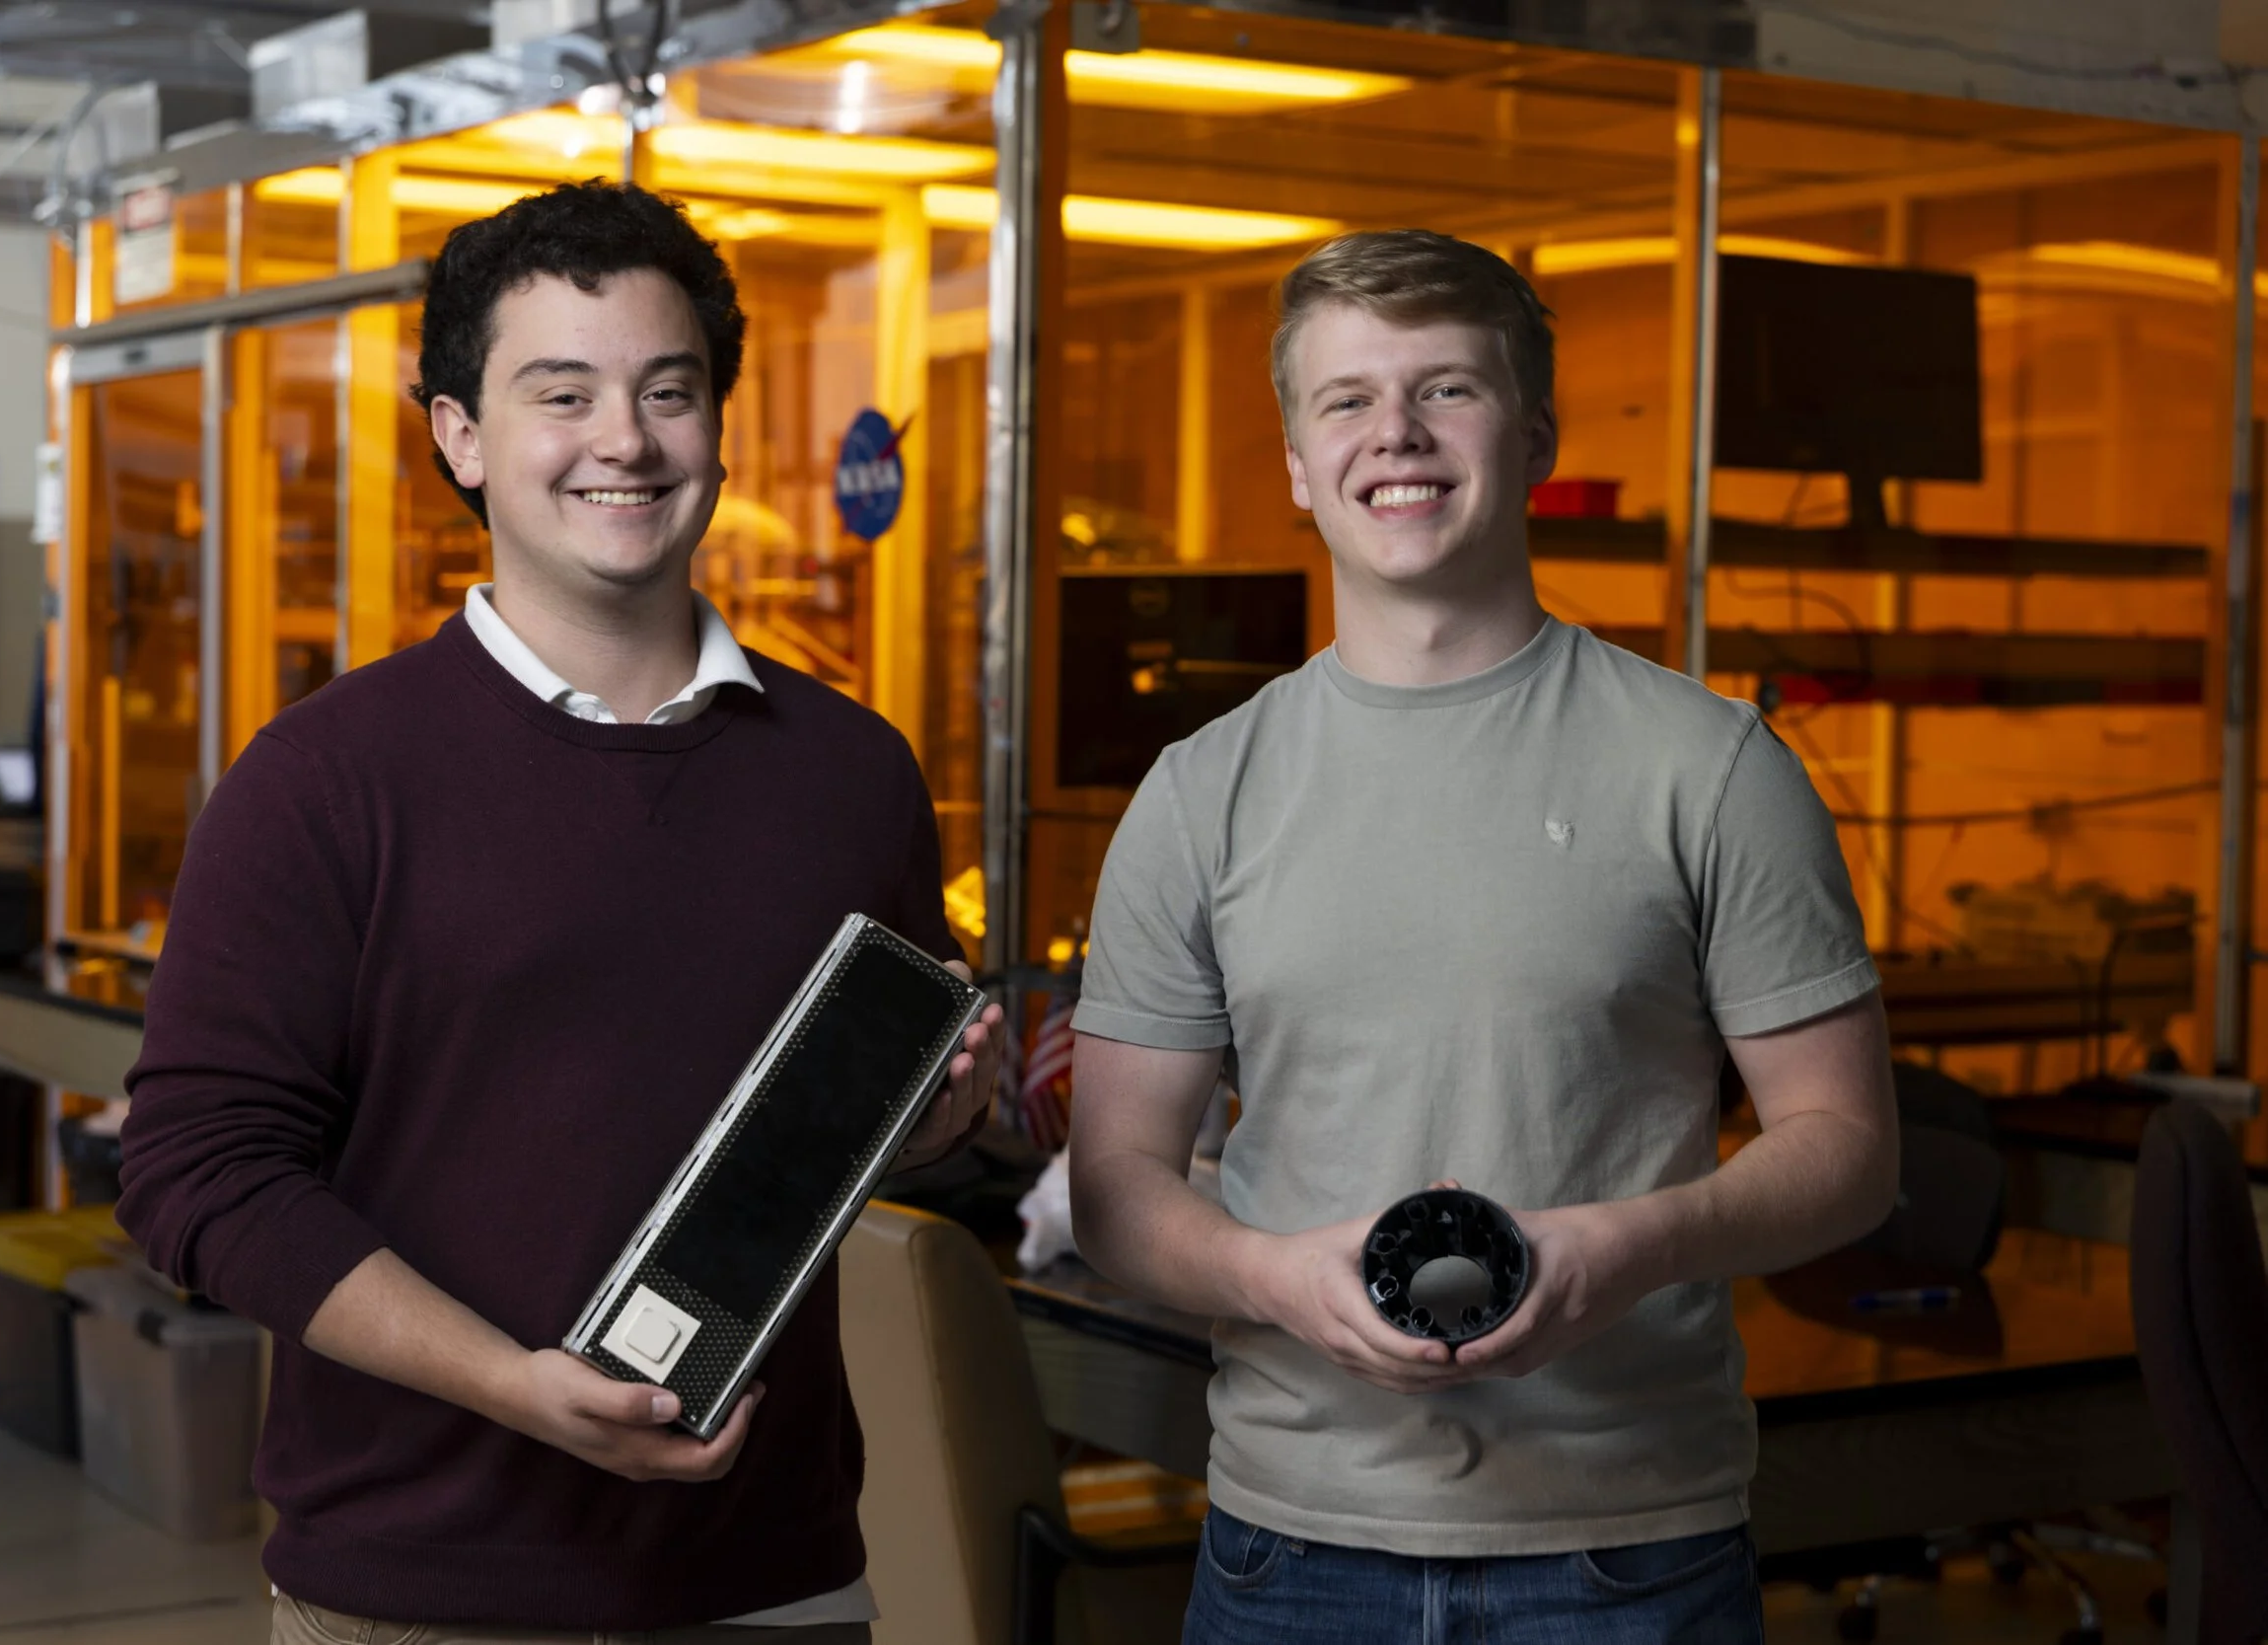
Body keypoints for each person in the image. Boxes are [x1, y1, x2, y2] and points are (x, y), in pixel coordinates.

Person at [116, 181, 1002, 1645]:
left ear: (717, 424)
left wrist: (933, 1116)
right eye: (562, 393)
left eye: (669, 390)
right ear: (460, 435)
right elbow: (197, 1173)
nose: (624, 440)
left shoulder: (854, 772)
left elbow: (859, 1137)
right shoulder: (326, 777)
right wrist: (511, 1385)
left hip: (774, 1581)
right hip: (420, 1592)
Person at [1065, 229, 1899, 1643]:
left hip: (1630, 1558)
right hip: (1291, 1557)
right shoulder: (1201, 791)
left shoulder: (1711, 768)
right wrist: (1276, 1277)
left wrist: (1630, 1246)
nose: (1395, 432)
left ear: (1537, 438)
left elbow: (1851, 1149)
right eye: (1347, 399)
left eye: (1445, 389)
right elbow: (1116, 1186)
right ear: (1297, 463)